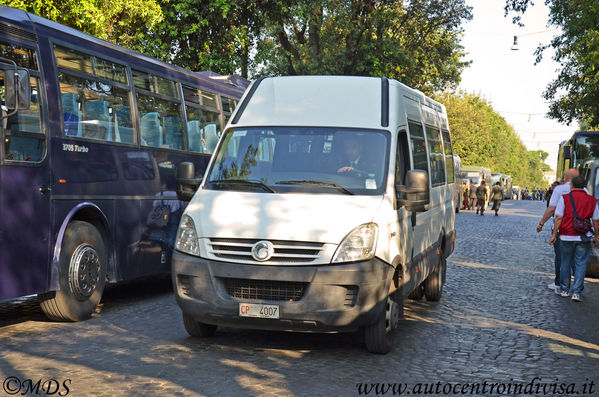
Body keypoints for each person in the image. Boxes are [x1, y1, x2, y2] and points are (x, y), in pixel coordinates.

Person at [549, 176, 599, 302]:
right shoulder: (592, 200)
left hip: (566, 235)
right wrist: (597, 235)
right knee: (581, 264)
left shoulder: (564, 198)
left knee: (565, 263)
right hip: (583, 236)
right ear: (585, 187)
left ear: (571, 186)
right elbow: (596, 220)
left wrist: (554, 234)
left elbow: (558, 218)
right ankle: (576, 292)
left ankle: (565, 290)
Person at [537, 168, 586, 292]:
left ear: (566, 177)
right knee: (577, 259)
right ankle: (578, 286)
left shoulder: (559, 189)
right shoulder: (585, 191)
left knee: (561, 257)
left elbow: (552, 209)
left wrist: (541, 223)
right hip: (580, 230)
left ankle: (559, 283)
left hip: (562, 230)